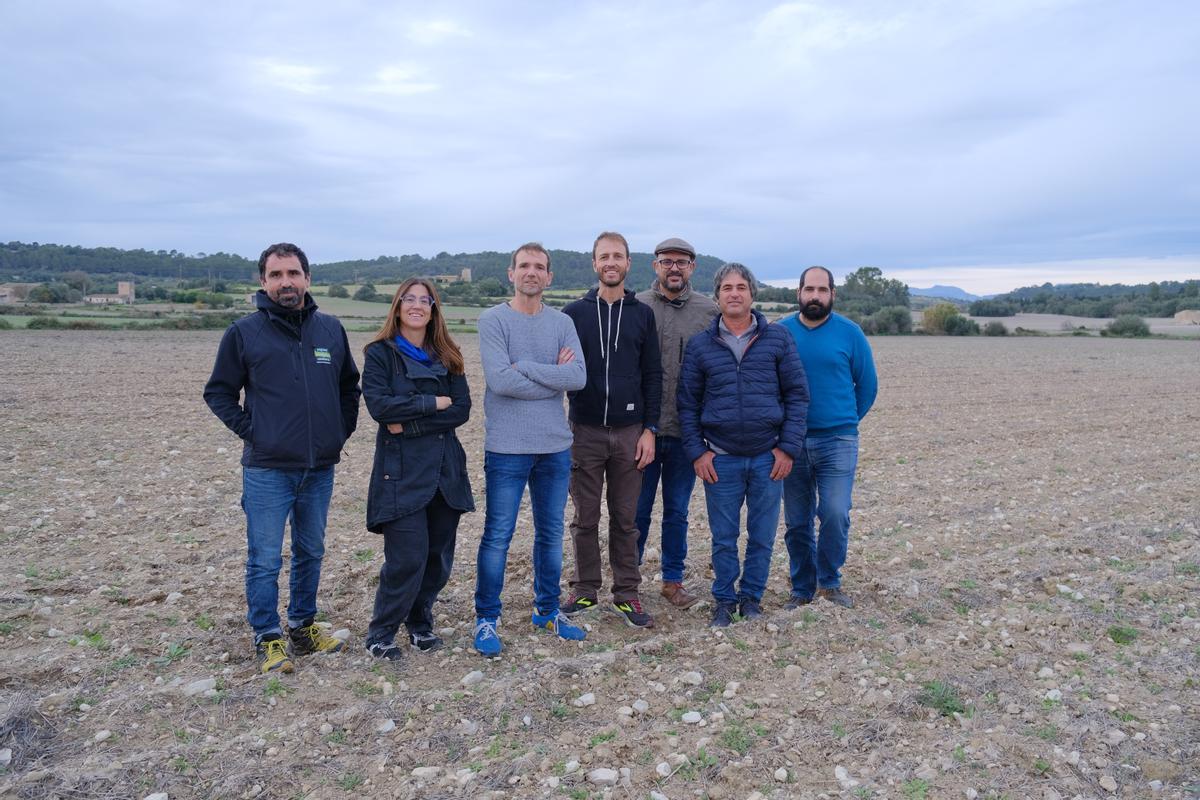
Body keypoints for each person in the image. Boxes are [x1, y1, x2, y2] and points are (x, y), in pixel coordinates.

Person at [203, 242, 360, 673]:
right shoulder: (244, 333)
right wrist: (257, 434)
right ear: (263, 282)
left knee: (311, 550)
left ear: (308, 278)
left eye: (293, 274)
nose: (285, 283)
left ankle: (303, 627)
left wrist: (338, 431)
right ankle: (267, 635)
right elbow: (218, 393)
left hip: (319, 467)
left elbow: (350, 387)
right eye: (276, 275)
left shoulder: (330, 329)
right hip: (268, 469)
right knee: (266, 557)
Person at [472, 242, 589, 655]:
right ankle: (486, 618)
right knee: (498, 535)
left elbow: (577, 377)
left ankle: (547, 610)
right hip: (507, 447)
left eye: (539, 267)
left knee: (550, 533)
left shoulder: (561, 322)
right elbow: (500, 381)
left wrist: (527, 367)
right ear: (511, 273)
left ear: (549, 277)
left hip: (555, 447)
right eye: (524, 266)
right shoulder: (493, 320)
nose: (531, 273)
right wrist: (551, 377)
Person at [677, 262, 809, 627]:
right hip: (721, 458)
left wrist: (788, 448)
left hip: (769, 457)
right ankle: (724, 599)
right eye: (727, 288)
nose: (734, 293)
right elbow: (687, 403)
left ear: (752, 294)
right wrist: (697, 452)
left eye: (741, 287)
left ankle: (751, 597)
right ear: (717, 296)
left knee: (763, 536)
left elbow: (797, 395)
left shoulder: (778, 339)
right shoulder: (702, 346)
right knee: (723, 538)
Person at [360, 278, 474, 660]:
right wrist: (433, 402)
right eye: (409, 299)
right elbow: (380, 408)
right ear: (397, 307)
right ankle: (381, 631)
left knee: (437, 560)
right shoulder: (380, 354)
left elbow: (461, 409)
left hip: (444, 472)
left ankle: (420, 624)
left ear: (433, 310)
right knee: (406, 558)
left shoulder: (448, 354)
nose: (417, 305)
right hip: (402, 473)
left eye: (425, 300)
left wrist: (411, 419)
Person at [561, 231, 663, 628]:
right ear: (594, 263)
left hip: (629, 433)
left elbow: (653, 374)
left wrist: (649, 429)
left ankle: (627, 595)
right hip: (583, 431)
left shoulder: (642, 314)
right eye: (604, 256)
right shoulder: (573, 313)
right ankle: (585, 590)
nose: (611, 263)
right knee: (585, 517)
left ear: (627, 263)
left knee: (625, 518)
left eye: (617, 256)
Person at [778, 267, 878, 609]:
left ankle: (830, 582)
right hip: (791, 443)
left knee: (835, 512)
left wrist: (844, 419)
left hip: (838, 441)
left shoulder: (850, 333)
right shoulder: (781, 332)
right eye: (809, 289)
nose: (815, 296)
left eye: (822, 289)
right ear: (799, 292)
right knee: (797, 520)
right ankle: (802, 588)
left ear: (832, 293)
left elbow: (867, 386)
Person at [634, 237, 719, 609]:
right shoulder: (635, 306)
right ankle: (627, 581)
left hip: (687, 433)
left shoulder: (709, 312)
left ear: (692, 268)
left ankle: (672, 580)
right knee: (634, 511)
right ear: (655, 265)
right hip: (642, 432)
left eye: (681, 262)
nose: (674, 268)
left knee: (677, 512)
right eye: (667, 261)